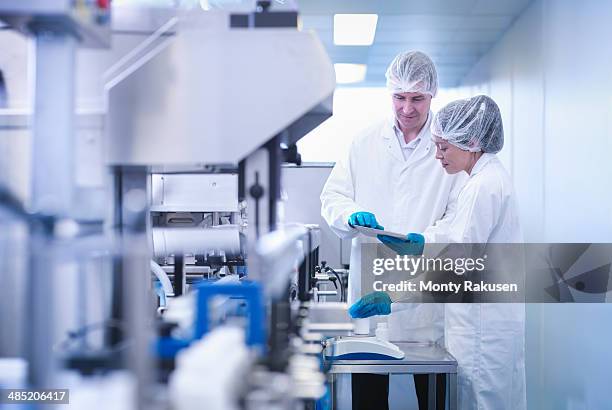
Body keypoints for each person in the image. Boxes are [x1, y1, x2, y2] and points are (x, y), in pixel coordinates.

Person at [353, 95, 526, 409]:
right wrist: (421, 243)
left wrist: (393, 298)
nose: (437, 156)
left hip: (481, 334)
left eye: (443, 147)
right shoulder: (485, 179)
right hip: (484, 327)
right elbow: (462, 237)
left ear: (471, 142)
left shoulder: (481, 187)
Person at [320, 51, 466, 410]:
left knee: (432, 395)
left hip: (426, 297)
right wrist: (352, 215)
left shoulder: (449, 147)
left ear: (432, 94)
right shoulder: (364, 142)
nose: (407, 108)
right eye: (399, 97)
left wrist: (425, 242)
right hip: (373, 287)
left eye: (416, 98)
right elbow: (333, 196)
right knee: (368, 397)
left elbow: (460, 217)